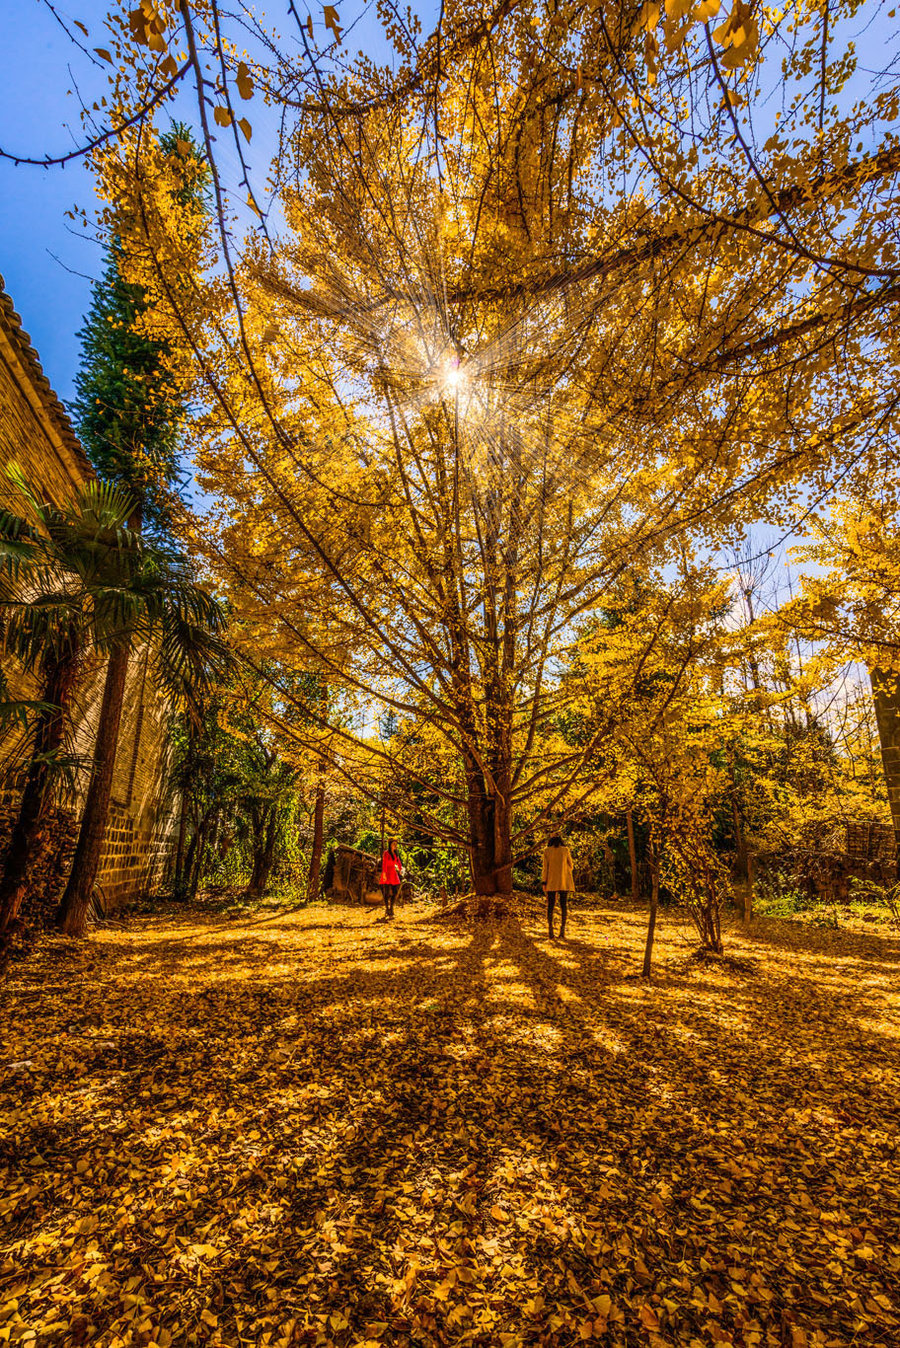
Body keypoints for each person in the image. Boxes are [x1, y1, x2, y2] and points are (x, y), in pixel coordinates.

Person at [542, 833, 574, 940]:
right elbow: (571, 865)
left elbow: (545, 868)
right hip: (563, 881)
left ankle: (550, 931)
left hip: (551, 881)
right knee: (563, 905)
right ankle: (562, 930)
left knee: (550, 906)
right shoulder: (565, 850)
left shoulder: (547, 851)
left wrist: (544, 882)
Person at [379, 838, 403, 919]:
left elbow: (398, 862)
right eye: (394, 844)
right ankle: (387, 908)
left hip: (393, 873)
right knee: (386, 892)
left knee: (395, 891)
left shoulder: (395, 853)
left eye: (396, 844)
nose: (395, 846)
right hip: (387, 873)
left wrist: (400, 870)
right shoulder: (386, 853)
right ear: (390, 845)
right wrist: (384, 874)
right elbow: (384, 864)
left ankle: (391, 907)